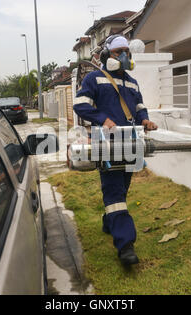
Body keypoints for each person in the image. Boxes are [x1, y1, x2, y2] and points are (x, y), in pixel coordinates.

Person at [73, 35, 158, 265]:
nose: (123, 56)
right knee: (114, 193)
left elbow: (139, 107)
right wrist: (103, 118)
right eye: (118, 51)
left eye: (126, 52)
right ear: (105, 55)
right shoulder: (94, 78)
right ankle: (126, 245)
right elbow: (80, 105)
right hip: (106, 144)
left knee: (122, 190)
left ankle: (108, 221)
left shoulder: (132, 82)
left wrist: (145, 120)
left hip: (130, 143)